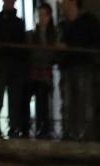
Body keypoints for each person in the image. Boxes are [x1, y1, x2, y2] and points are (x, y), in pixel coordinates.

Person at [57, 0, 100, 140]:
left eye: (64, 1)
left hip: (83, 67)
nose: (61, 4)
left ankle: (86, 135)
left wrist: (74, 48)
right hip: (67, 68)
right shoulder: (63, 25)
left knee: (84, 102)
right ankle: (68, 134)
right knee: (67, 103)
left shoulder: (88, 21)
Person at [0, 0, 30, 137]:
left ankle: (13, 127)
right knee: (0, 93)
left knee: (13, 95)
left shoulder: (17, 23)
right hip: (2, 61)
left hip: (13, 63)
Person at [25, 2, 59, 137]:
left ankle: (43, 129)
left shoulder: (53, 34)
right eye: (39, 15)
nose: (41, 18)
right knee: (33, 99)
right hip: (34, 72)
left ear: (49, 16)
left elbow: (52, 55)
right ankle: (31, 128)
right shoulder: (31, 35)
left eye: (44, 15)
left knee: (43, 100)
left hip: (45, 72)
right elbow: (32, 53)